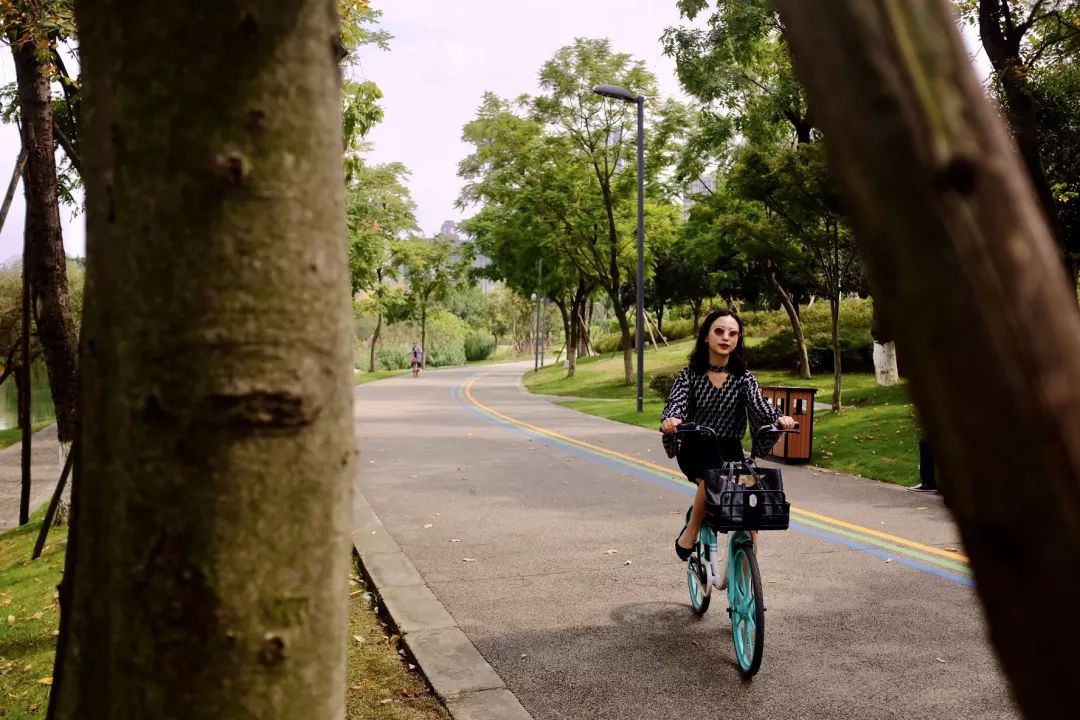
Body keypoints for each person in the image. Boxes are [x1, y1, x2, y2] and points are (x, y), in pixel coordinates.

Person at [660, 309, 796, 564]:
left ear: (738, 339)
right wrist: (672, 420)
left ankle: (748, 571)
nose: (726, 337)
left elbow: (761, 405)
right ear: (706, 337)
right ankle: (690, 533)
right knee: (710, 476)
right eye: (719, 331)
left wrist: (778, 419)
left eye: (733, 333)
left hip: (730, 449)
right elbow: (675, 404)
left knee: (751, 497)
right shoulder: (689, 376)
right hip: (695, 446)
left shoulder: (744, 379)